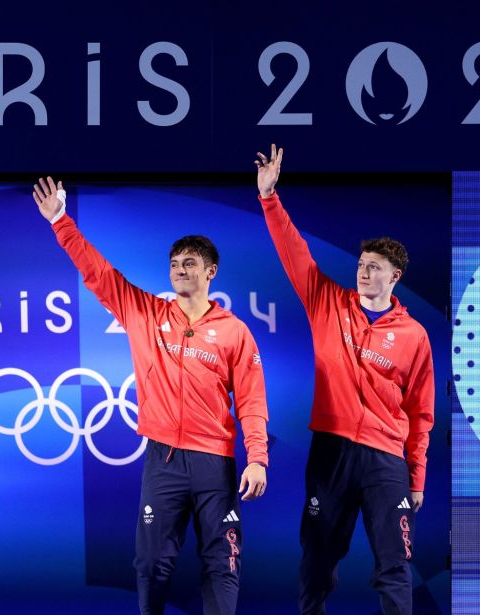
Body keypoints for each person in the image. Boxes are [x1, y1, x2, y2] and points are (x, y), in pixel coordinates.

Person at [32, 177, 270, 615]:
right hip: (163, 461)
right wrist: (60, 222)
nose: (180, 269)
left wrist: (257, 458)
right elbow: (99, 273)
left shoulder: (235, 332)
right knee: (151, 563)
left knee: (223, 563)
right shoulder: (145, 313)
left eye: (190, 263)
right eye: (175, 263)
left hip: (214, 462)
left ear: (210, 272)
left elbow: (253, 401)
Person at [252, 146, 434, 615]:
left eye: (374, 267)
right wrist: (270, 197)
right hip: (331, 452)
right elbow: (295, 254)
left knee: (394, 566)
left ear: (395, 277)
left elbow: (421, 412)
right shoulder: (327, 302)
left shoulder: (414, 335)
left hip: (385, 461)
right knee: (316, 561)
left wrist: (416, 476)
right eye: (360, 264)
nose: (363, 271)